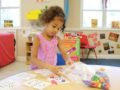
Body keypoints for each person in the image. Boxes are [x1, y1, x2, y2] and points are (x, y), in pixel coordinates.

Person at [31, 6, 72, 75]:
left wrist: (68, 60)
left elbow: (64, 53)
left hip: (52, 70)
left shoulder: (58, 39)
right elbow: (33, 59)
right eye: (54, 26)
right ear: (46, 22)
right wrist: (48, 67)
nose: (56, 30)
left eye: (58, 28)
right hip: (38, 70)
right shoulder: (38, 38)